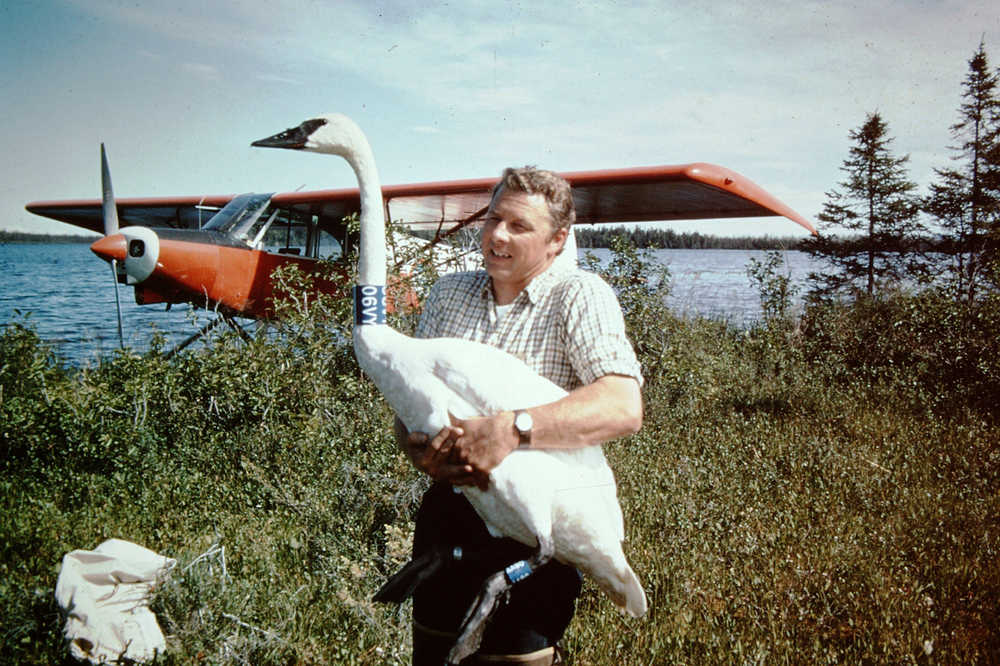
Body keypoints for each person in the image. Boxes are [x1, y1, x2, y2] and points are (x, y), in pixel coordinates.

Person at [396, 166, 643, 665]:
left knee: (516, 658)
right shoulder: (448, 295)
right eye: (493, 219)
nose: (496, 236)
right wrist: (418, 448)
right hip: (449, 518)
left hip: (533, 532)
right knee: (433, 653)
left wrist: (513, 429)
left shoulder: (578, 296)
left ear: (557, 241)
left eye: (519, 226)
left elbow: (623, 405)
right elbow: (410, 408)